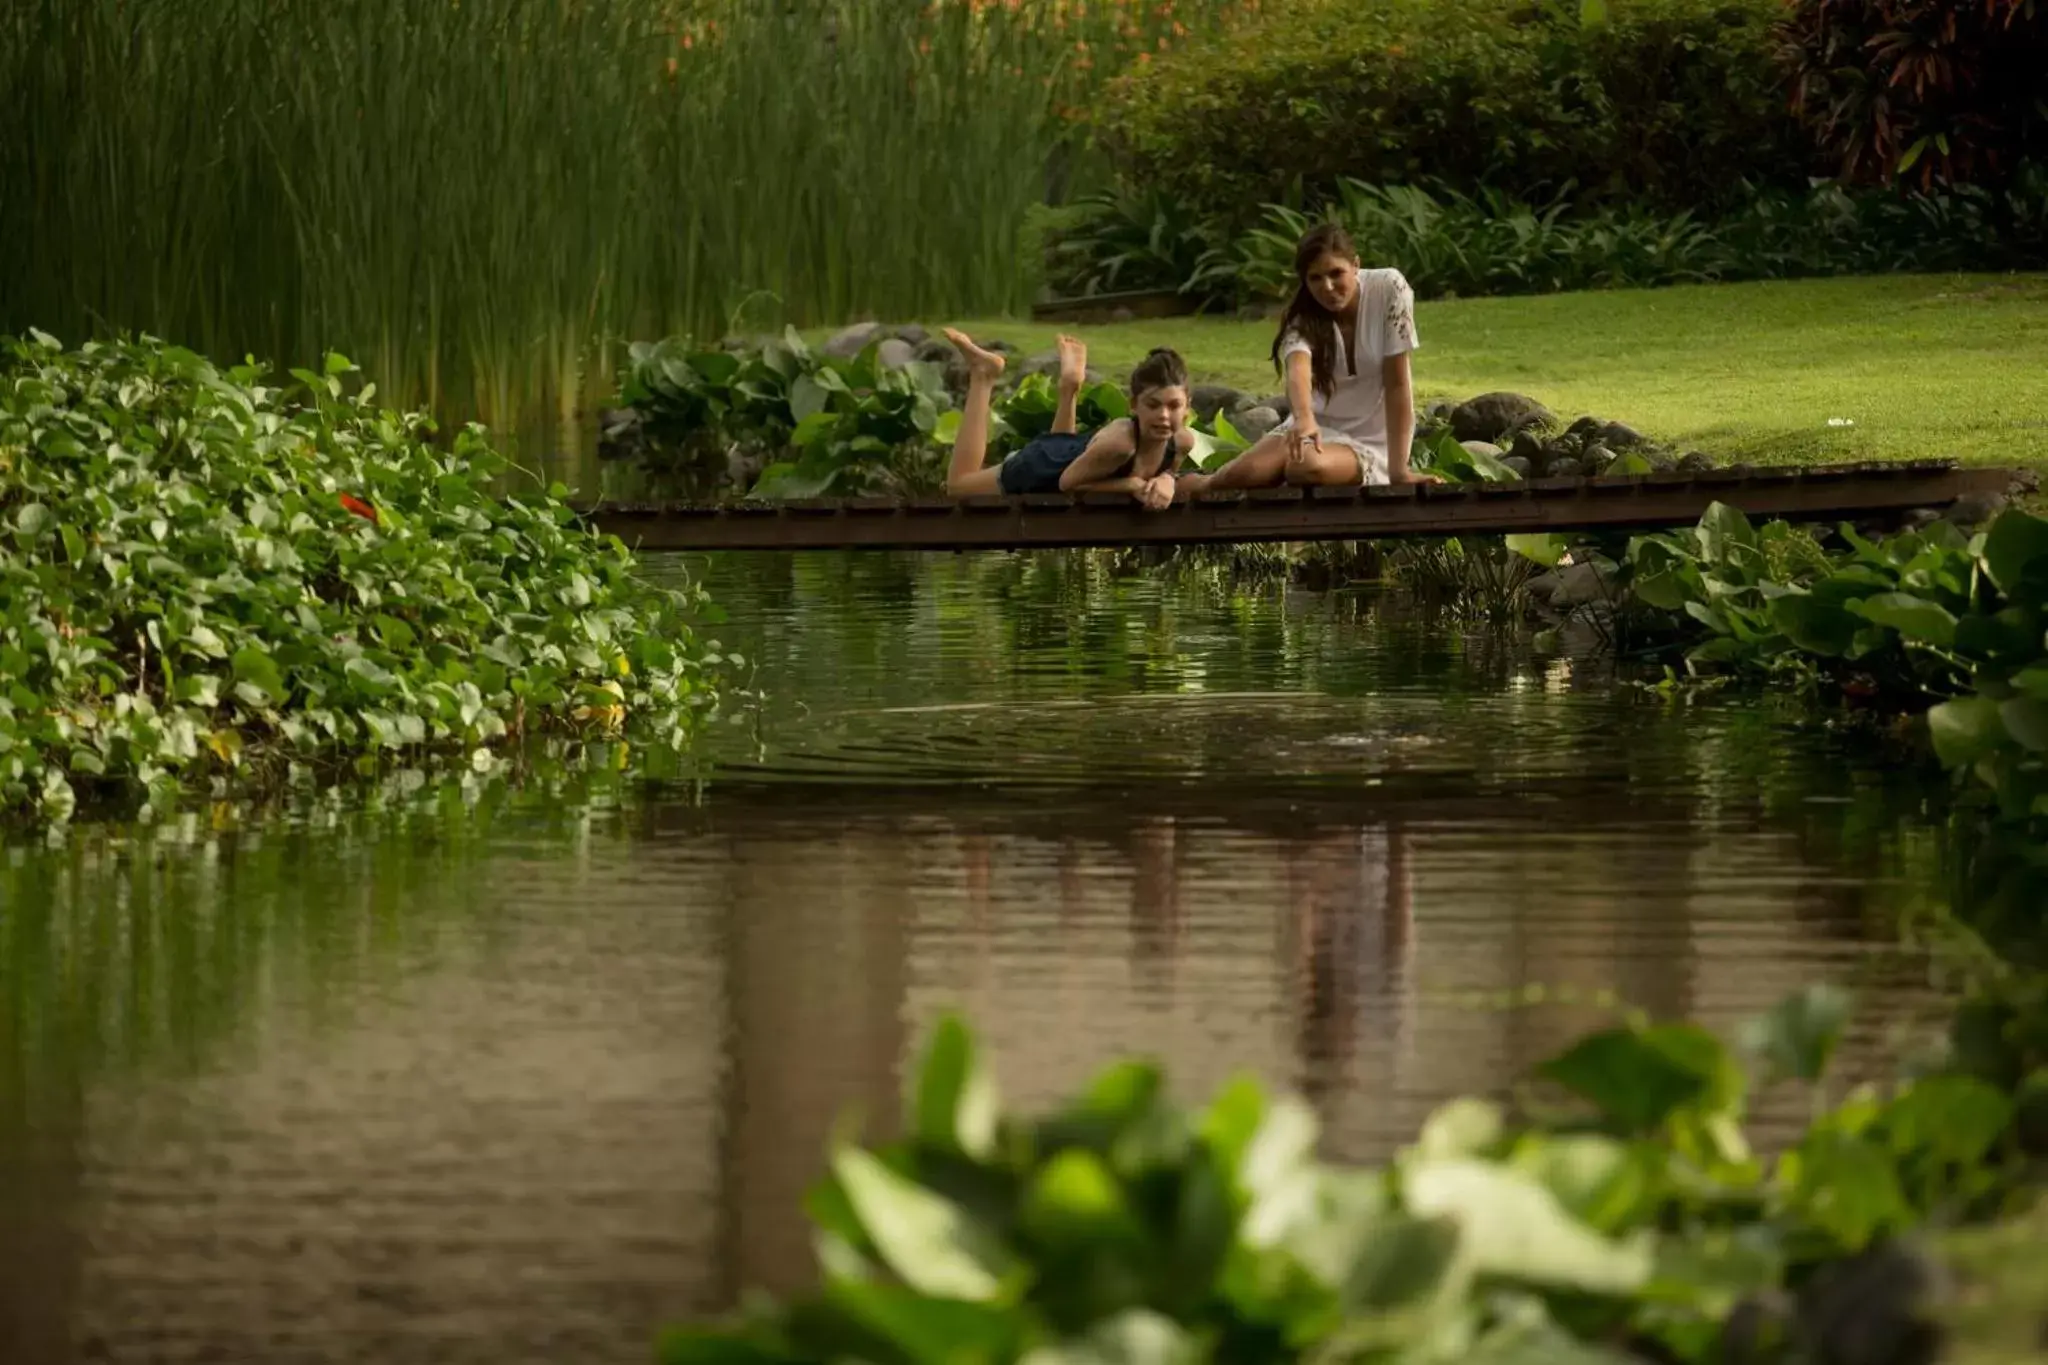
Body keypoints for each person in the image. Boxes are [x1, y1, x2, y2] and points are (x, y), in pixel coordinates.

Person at [1179, 224, 1439, 495]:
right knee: (1235, 477)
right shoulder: (1302, 316)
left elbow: (1398, 384)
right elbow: (1298, 370)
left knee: (1303, 466)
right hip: (1312, 427)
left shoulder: (1389, 288)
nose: (1327, 287)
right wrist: (1303, 418)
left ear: (1356, 265)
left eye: (1336, 273)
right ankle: (1174, 485)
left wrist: (1399, 471)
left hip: (1370, 441)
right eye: (1315, 278)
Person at [943, 329, 1194, 509]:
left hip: (1067, 451)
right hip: (1040, 467)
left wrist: (1166, 480)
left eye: (1174, 406)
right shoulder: (1120, 445)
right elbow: (1066, 483)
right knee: (958, 486)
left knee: (1061, 448)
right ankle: (982, 376)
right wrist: (1131, 486)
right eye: (1153, 405)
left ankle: (1070, 386)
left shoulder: (1182, 442)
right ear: (1133, 406)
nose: (1163, 415)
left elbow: (1169, 472)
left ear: (1187, 408)